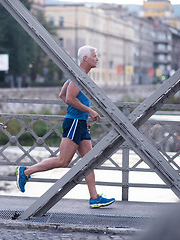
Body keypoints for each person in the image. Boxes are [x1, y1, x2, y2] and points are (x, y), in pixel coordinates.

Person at [16, 45, 115, 208]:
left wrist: (80, 112)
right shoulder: (79, 77)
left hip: (79, 122)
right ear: (85, 58)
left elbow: (63, 95)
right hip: (75, 122)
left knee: (89, 161)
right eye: (95, 56)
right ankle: (26, 171)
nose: (97, 59)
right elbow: (69, 98)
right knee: (63, 161)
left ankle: (94, 198)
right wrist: (89, 111)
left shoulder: (76, 75)